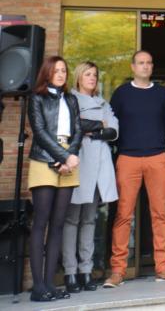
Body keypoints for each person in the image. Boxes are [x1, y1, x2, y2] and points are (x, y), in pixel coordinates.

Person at [104, 50, 165, 287]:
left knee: (160, 214)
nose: (145, 66)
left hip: (157, 157)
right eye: (141, 63)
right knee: (123, 215)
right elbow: (113, 123)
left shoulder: (161, 93)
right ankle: (118, 271)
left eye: (148, 63)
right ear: (132, 67)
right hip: (128, 158)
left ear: (152, 66)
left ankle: (162, 267)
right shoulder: (121, 93)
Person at [27, 55, 83, 302]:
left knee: (59, 224)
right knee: (41, 222)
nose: (61, 74)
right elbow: (38, 131)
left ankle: (50, 283)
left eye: (64, 70)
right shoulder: (36, 97)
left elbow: (78, 130)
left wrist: (69, 156)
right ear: (47, 73)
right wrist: (60, 157)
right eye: (56, 70)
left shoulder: (70, 99)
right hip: (43, 159)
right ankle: (38, 287)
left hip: (67, 160)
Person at [62, 61, 119, 293]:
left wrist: (90, 129)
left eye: (95, 75)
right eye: (88, 74)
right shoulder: (70, 100)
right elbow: (72, 126)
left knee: (89, 220)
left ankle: (86, 271)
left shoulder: (104, 102)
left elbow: (113, 131)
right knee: (71, 220)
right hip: (79, 163)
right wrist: (98, 127)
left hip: (100, 167)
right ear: (78, 77)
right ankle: (70, 272)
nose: (92, 78)